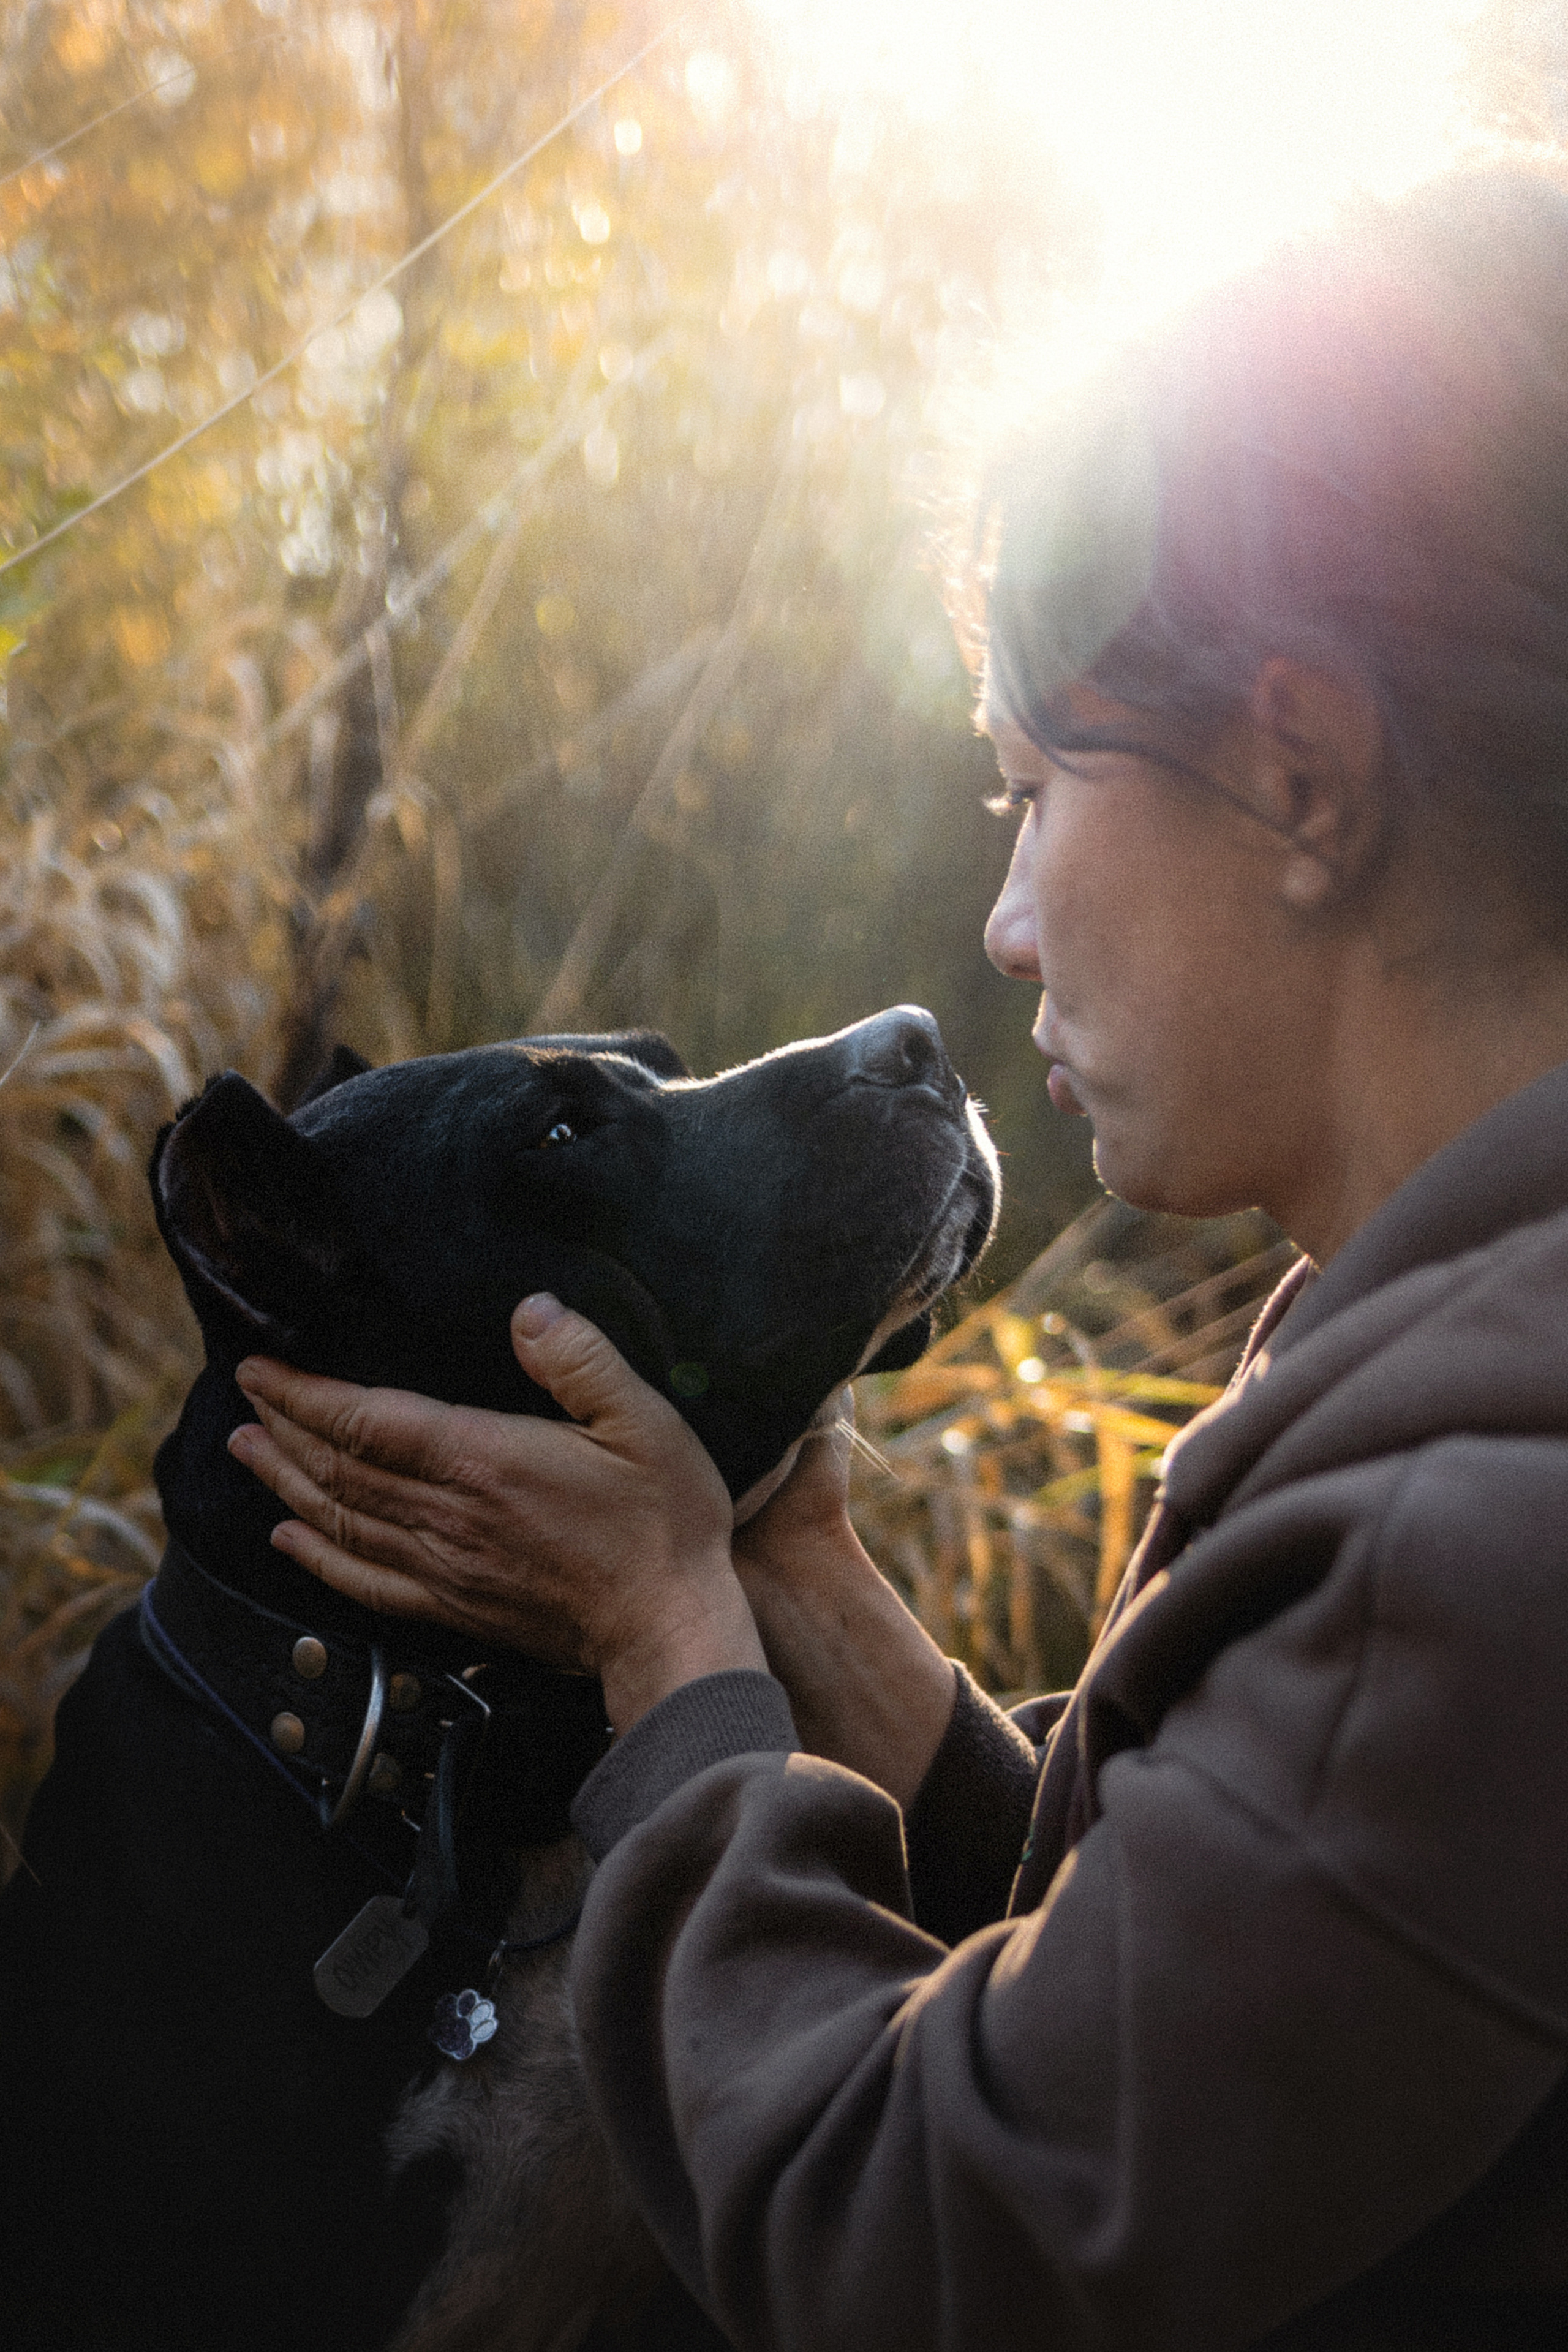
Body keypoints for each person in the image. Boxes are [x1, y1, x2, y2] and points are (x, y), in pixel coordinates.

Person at [227, 168, 1568, 2348]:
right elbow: (1223, 1992)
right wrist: (822, 1609)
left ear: (1304, 778)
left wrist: (666, 1641)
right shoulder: (1450, 1345)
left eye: (1031, 789)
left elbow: (925, 2244)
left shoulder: (1471, 1536)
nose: (1010, 923)